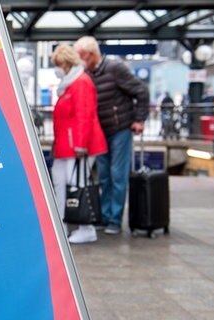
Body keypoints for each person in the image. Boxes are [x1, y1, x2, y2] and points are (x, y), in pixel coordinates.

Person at [74, 36, 149, 235]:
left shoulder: (115, 69)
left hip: (120, 130)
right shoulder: (87, 74)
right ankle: (104, 216)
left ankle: (115, 219)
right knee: (104, 176)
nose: (80, 60)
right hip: (100, 132)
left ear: (90, 54)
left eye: (81, 56)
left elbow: (141, 90)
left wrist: (139, 119)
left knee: (118, 175)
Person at [50, 44, 108, 244]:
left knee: (78, 184)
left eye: (59, 65)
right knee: (61, 182)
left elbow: (85, 115)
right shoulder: (70, 83)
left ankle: (86, 227)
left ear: (66, 63)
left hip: (78, 146)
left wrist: (80, 146)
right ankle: (61, 224)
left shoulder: (80, 82)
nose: (57, 69)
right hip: (67, 146)